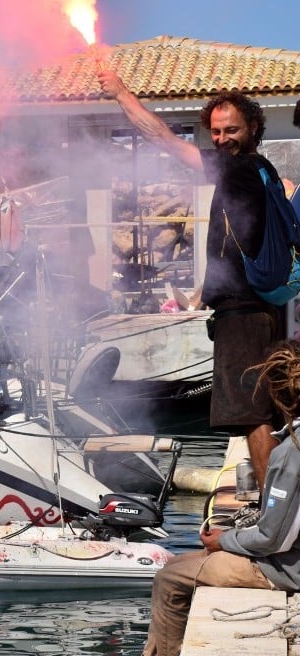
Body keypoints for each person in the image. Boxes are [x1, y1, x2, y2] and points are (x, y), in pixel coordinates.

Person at [99, 68, 284, 489]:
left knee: (253, 413)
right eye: (215, 132)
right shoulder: (263, 171)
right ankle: (284, 504)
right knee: (273, 412)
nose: (221, 140)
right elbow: (240, 240)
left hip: (243, 313)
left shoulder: (237, 168)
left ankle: (274, 512)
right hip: (262, 307)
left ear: (253, 127)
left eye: (231, 130)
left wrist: (122, 93)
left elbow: (163, 139)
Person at [142, 340, 300, 656]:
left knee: (169, 578)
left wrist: (224, 539)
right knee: (181, 562)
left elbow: (272, 539)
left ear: (277, 396)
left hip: (285, 570)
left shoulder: (290, 453)